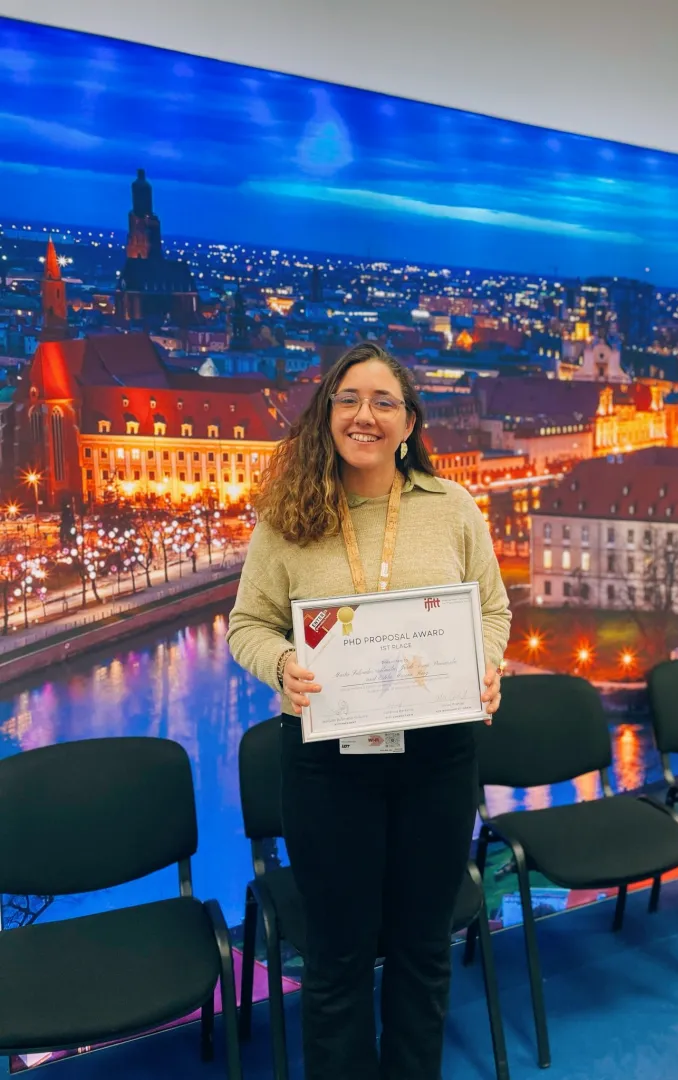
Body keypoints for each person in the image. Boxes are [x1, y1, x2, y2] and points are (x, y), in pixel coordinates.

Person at [227, 341, 511, 1080]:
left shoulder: (452, 508)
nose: (366, 415)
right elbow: (247, 626)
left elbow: (493, 609)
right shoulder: (286, 517)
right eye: (349, 398)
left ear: (410, 423)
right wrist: (284, 664)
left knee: (422, 949)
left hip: (438, 761)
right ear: (326, 414)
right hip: (329, 767)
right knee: (339, 956)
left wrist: (486, 664)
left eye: (385, 402)